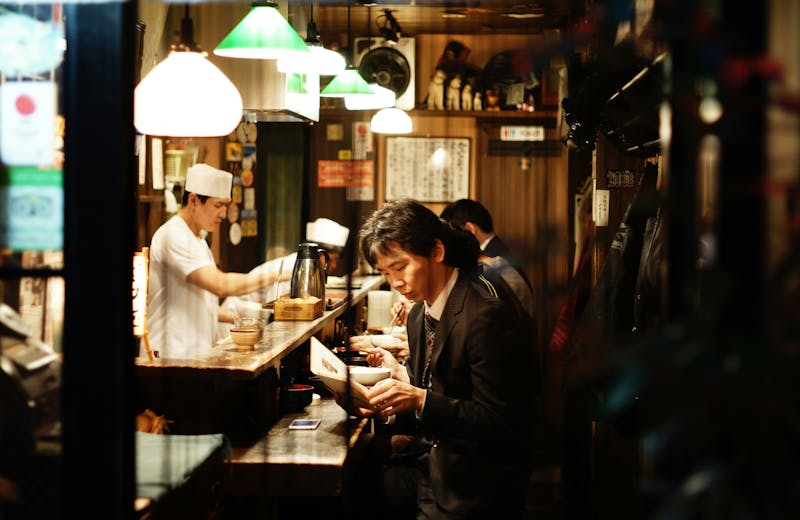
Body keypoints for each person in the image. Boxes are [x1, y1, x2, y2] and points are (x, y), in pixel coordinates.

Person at [348, 198, 536, 519]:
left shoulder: (483, 314)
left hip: (472, 486)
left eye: (401, 266)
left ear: (436, 252)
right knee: (347, 488)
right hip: (432, 465)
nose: (395, 283)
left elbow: (500, 420)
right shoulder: (419, 314)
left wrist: (420, 400)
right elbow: (424, 394)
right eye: (385, 272)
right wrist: (386, 406)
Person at [144, 163, 280, 359]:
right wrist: (275, 275)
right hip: (171, 355)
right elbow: (220, 285)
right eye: (218, 205)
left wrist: (248, 317)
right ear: (194, 200)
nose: (224, 214)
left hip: (195, 353)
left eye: (226, 205)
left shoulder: (199, 241)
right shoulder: (174, 235)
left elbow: (205, 306)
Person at [217, 217, 350, 338]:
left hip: (253, 319)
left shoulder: (308, 268)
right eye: (332, 260)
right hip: (235, 321)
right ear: (319, 254)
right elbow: (278, 309)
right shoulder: (296, 269)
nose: (333, 265)